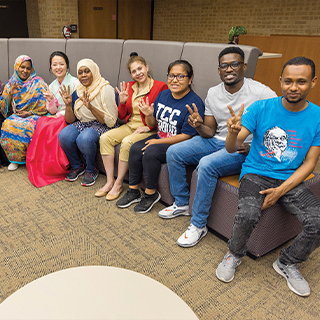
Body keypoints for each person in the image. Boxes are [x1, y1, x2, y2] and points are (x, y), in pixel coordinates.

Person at [216, 57, 320, 297]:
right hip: (256, 173)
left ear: (313, 82)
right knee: (248, 213)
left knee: (317, 221)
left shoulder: (316, 116)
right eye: (289, 81)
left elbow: (310, 164)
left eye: (301, 82)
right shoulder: (261, 108)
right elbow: (232, 148)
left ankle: (287, 261)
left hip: (291, 178)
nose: (294, 87)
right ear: (280, 81)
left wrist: (280, 191)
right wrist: (232, 134)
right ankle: (234, 253)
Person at [158, 47, 277, 247]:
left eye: (234, 64)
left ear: (244, 67)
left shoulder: (262, 92)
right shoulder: (213, 92)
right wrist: (198, 125)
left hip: (241, 147)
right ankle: (181, 202)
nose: (229, 69)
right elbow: (210, 131)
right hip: (215, 140)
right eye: (224, 65)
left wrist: (257, 146)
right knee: (174, 152)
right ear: (219, 69)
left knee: (206, 164)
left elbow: (278, 124)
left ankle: (198, 224)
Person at [116, 60, 205, 213]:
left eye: (180, 76)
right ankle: (133, 190)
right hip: (160, 136)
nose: (174, 80)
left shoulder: (194, 103)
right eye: (171, 76)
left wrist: (159, 141)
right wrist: (149, 115)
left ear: (190, 79)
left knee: (151, 152)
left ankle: (150, 194)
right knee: (135, 148)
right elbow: (153, 122)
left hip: (178, 143)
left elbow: (187, 136)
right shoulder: (163, 95)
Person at [96, 53, 167, 200]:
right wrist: (122, 102)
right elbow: (122, 116)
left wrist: (150, 128)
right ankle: (110, 181)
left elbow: (164, 115)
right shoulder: (128, 86)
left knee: (128, 142)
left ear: (146, 67)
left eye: (140, 68)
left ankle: (119, 183)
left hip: (148, 128)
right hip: (130, 125)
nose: (138, 73)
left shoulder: (160, 86)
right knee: (105, 138)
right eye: (134, 71)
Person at [58, 58, 118, 187]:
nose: (83, 75)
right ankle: (77, 166)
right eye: (80, 72)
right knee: (64, 135)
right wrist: (68, 105)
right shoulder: (78, 91)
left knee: (84, 138)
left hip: (102, 124)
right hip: (83, 123)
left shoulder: (105, 89)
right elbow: (70, 120)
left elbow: (110, 121)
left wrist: (91, 107)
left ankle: (91, 169)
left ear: (94, 72)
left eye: (87, 71)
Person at [26, 51, 79, 187]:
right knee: (41, 122)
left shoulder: (75, 82)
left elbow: (77, 108)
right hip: (57, 115)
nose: (58, 67)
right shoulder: (52, 85)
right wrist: (50, 101)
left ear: (67, 66)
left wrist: (59, 114)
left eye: (61, 64)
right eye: (54, 64)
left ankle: (56, 165)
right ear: (51, 67)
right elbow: (52, 110)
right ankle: (43, 164)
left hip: (71, 116)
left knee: (50, 125)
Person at [0, 55, 48, 171]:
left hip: (33, 115)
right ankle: (14, 159)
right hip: (16, 115)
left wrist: (30, 113)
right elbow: (3, 108)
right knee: (7, 124)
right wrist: (10, 94)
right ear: (17, 67)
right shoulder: (11, 83)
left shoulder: (38, 82)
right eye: (22, 67)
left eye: (28, 68)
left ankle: (28, 159)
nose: (25, 71)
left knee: (27, 126)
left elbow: (44, 105)